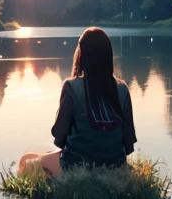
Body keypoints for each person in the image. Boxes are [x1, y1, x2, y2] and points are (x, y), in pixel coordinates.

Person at [18, 27, 137, 176]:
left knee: (26, 162)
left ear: (81, 55)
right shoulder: (123, 90)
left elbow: (59, 137)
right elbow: (129, 144)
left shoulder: (71, 87)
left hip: (77, 166)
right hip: (116, 165)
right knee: (49, 156)